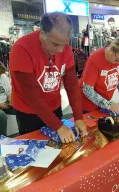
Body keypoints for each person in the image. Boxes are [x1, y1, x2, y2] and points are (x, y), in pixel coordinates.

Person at [9, 12, 87, 143]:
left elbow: (72, 85)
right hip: (28, 111)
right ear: (42, 34)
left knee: (60, 148)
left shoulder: (64, 48)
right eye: (55, 44)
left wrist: (78, 117)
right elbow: (32, 97)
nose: (61, 50)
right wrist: (58, 126)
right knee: (35, 151)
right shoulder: (21, 49)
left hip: (54, 106)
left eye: (65, 44)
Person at [80, 36, 119, 114]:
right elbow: (87, 90)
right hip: (88, 105)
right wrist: (108, 104)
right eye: (117, 60)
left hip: (105, 103)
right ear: (112, 49)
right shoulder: (95, 59)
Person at [0, 62, 15, 136]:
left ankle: (23, 135)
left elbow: (9, 92)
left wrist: (11, 101)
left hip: (5, 102)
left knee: (21, 109)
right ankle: (3, 140)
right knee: (1, 115)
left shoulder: (3, 76)